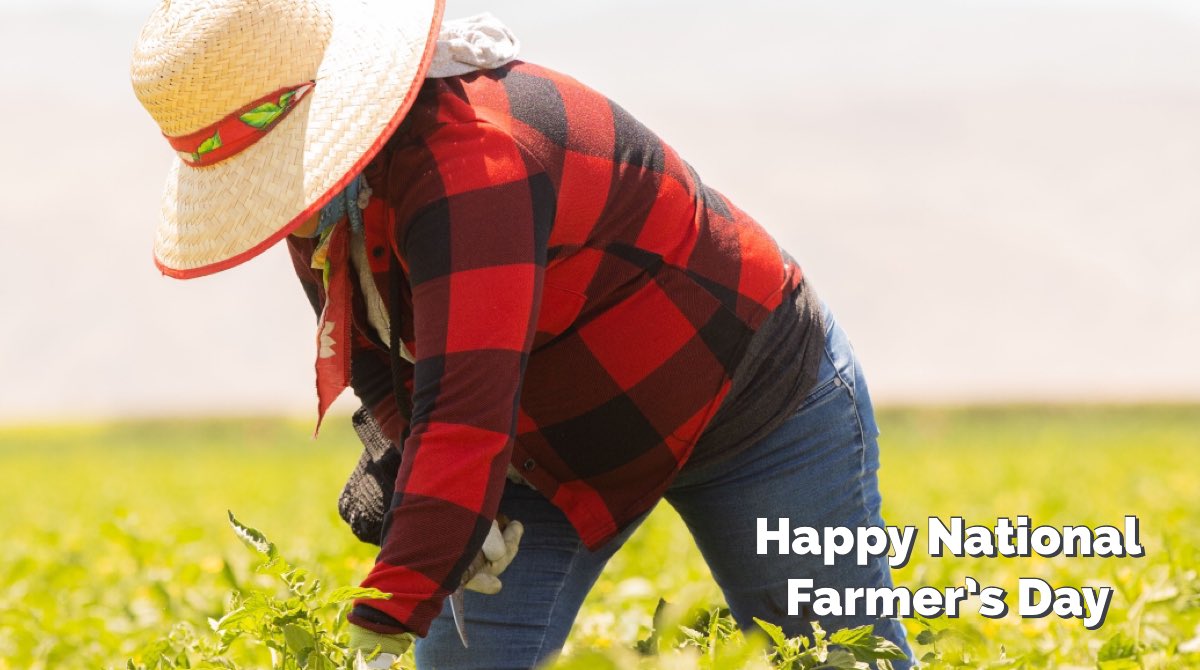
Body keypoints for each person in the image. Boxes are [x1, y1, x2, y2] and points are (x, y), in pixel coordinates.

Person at [130, 1, 913, 668]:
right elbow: (379, 359)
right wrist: (408, 472)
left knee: (839, 654)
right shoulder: (322, 202)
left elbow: (464, 413)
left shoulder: (473, 163)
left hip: (753, 400)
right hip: (545, 444)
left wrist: (387, 609)